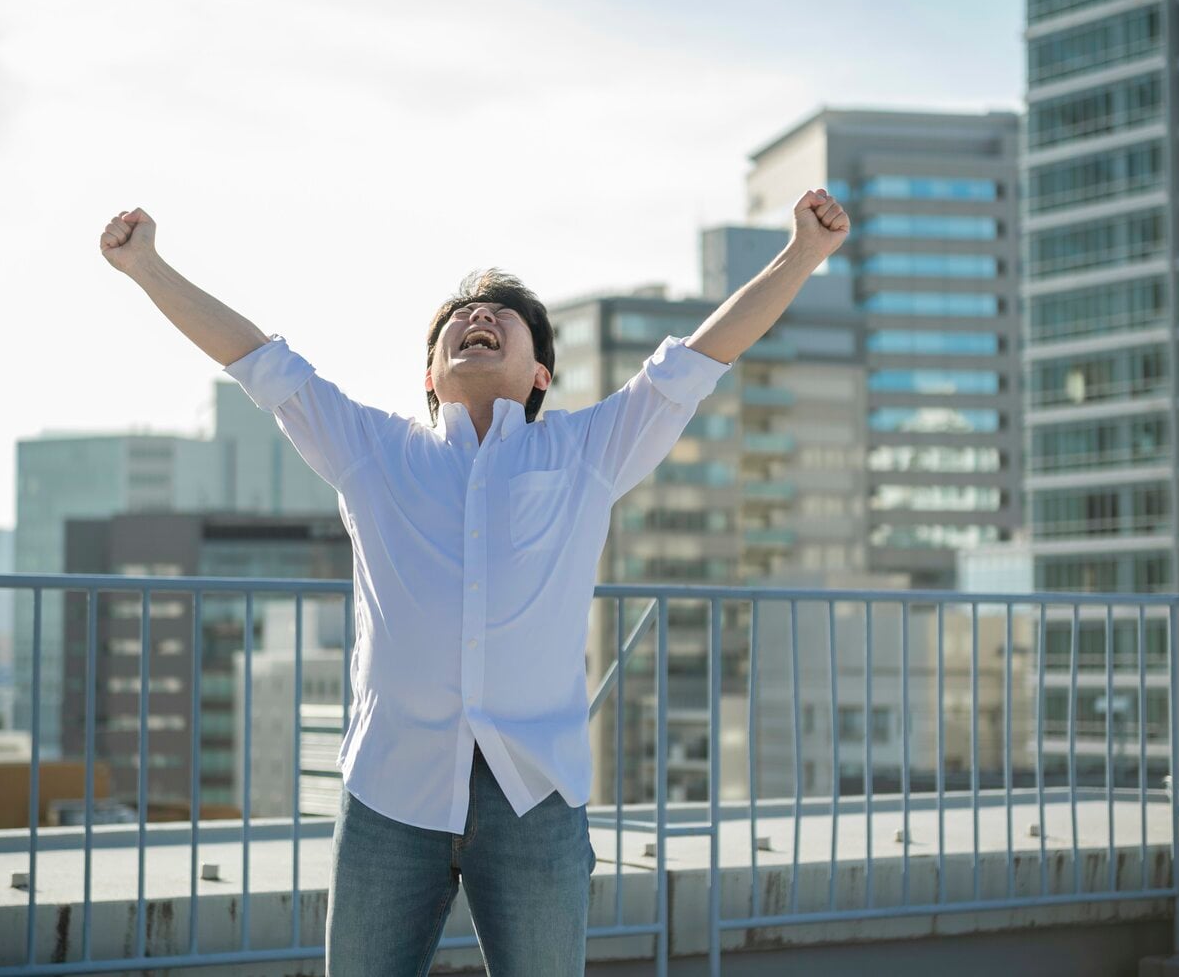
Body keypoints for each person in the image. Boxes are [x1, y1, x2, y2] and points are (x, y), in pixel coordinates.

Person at [98, 188, 849, 976]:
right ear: (430, 374)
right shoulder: (372, 449)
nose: (475, 317)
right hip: (389, 793)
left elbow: (697, 360)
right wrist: (146, 265)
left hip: (536, 798)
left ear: (540, 373)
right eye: (458, 317)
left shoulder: (587, 449)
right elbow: (258, 360)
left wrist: (801, 254)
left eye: (500, 314)